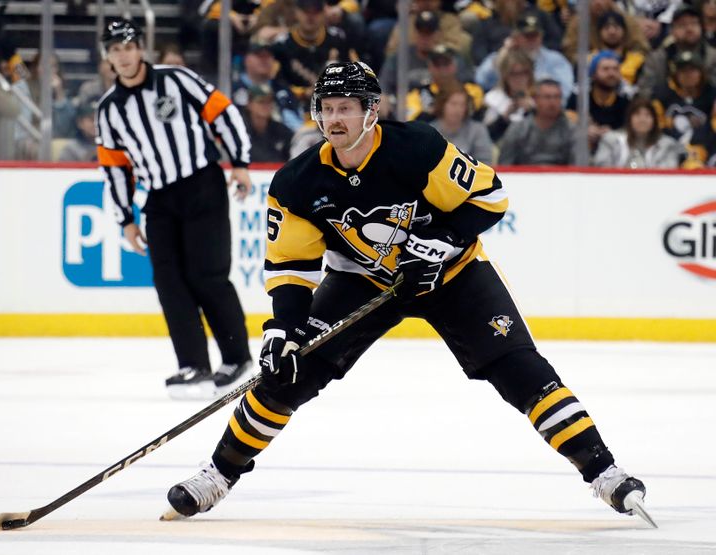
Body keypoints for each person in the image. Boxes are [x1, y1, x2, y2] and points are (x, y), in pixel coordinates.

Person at [161, 61, 653, 528]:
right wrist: (285, 330)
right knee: (288, 374)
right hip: (363, 279)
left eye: (345, 107)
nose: (333, 118)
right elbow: (291, 267)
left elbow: (490, 197)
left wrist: (440, 242)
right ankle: (217, 475)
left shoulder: (416, 147)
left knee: (521, 370)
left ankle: (604, 472)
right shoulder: (297, 181)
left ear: (370, 110)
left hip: (453, 274)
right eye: (327, 107)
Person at [95, 18, 253, 399]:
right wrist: (125, 220)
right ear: (109, 57)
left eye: (129, 46)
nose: (124, 55)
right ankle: (193, 365)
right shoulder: (109, 109)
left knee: (208, 275)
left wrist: (241, 162)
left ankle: (238, 358)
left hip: (202, 183)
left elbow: (223, 111)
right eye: (116, 50)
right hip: (160, 199)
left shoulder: (176, 79)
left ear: (140, 48)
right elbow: (115, 167)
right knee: (169, 283)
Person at [474, 10, 574, 103]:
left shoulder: (555, 60)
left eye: (535, 35)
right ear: (516, 37)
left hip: (544, 112)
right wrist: (503, 53)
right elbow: (481, 80)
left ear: (541, 36)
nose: (532, 40)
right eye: (527, 36)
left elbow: (565, 92)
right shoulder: (501, 57)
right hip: (508, 109)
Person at [497, 78, 577, 165]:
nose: (552, 102)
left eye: (557, 97)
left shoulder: (572, 131)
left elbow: (578, 167)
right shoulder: (517, 129)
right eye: (547, 97)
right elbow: (505, 165)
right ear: (535, 99)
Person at [593, 96, 687, 167]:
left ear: (654, 120)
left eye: (647, 115)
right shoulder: (610, 140)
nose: (642, 119)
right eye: (637, 114)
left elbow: (667, 175)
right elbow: (601, 170)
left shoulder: (667, 145)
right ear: (629, 119)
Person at [430, 82, 494, 164]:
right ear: (442, 104)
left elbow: (485, 163)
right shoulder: (430, 131)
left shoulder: (477, 130)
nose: (458, 109)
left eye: (462, 105)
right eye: (453, 104)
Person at [242, 83, 294, 162]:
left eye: (269, 101)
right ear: (249, 104)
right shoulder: (240, 129)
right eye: (261, 101)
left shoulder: (281, 131)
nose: (266, 105)